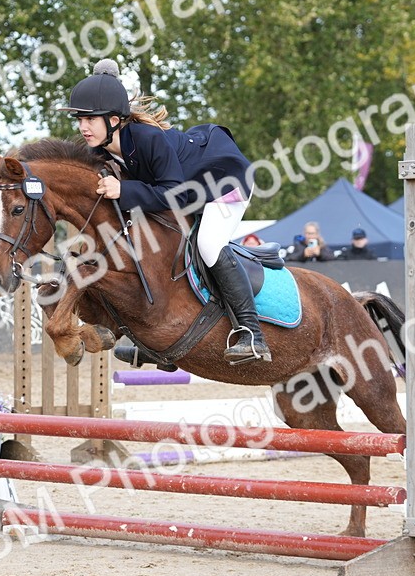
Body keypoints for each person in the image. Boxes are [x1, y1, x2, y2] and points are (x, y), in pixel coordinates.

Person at [59, 59, 269, 364]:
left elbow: (175, 193)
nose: (82, 127)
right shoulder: (101, 150)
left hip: (225, 182)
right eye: (80, 119)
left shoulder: (148, 139)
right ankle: (156, 340)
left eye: (90, 119)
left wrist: (125, 191)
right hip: (188, 190)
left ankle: (252, 334)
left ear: (114, 120)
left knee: (207, 245)